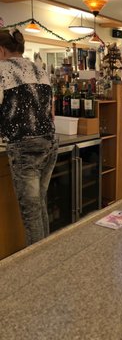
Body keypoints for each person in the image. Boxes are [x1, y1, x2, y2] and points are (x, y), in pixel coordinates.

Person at [0, 29, 58, 246]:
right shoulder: (40, 69)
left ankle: (38, 268)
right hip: (49, 142)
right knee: (39, 204)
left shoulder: (1, 69)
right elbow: (49, 112)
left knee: (31, 213)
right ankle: (46, 255)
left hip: (24, 146)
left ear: (1, 49)